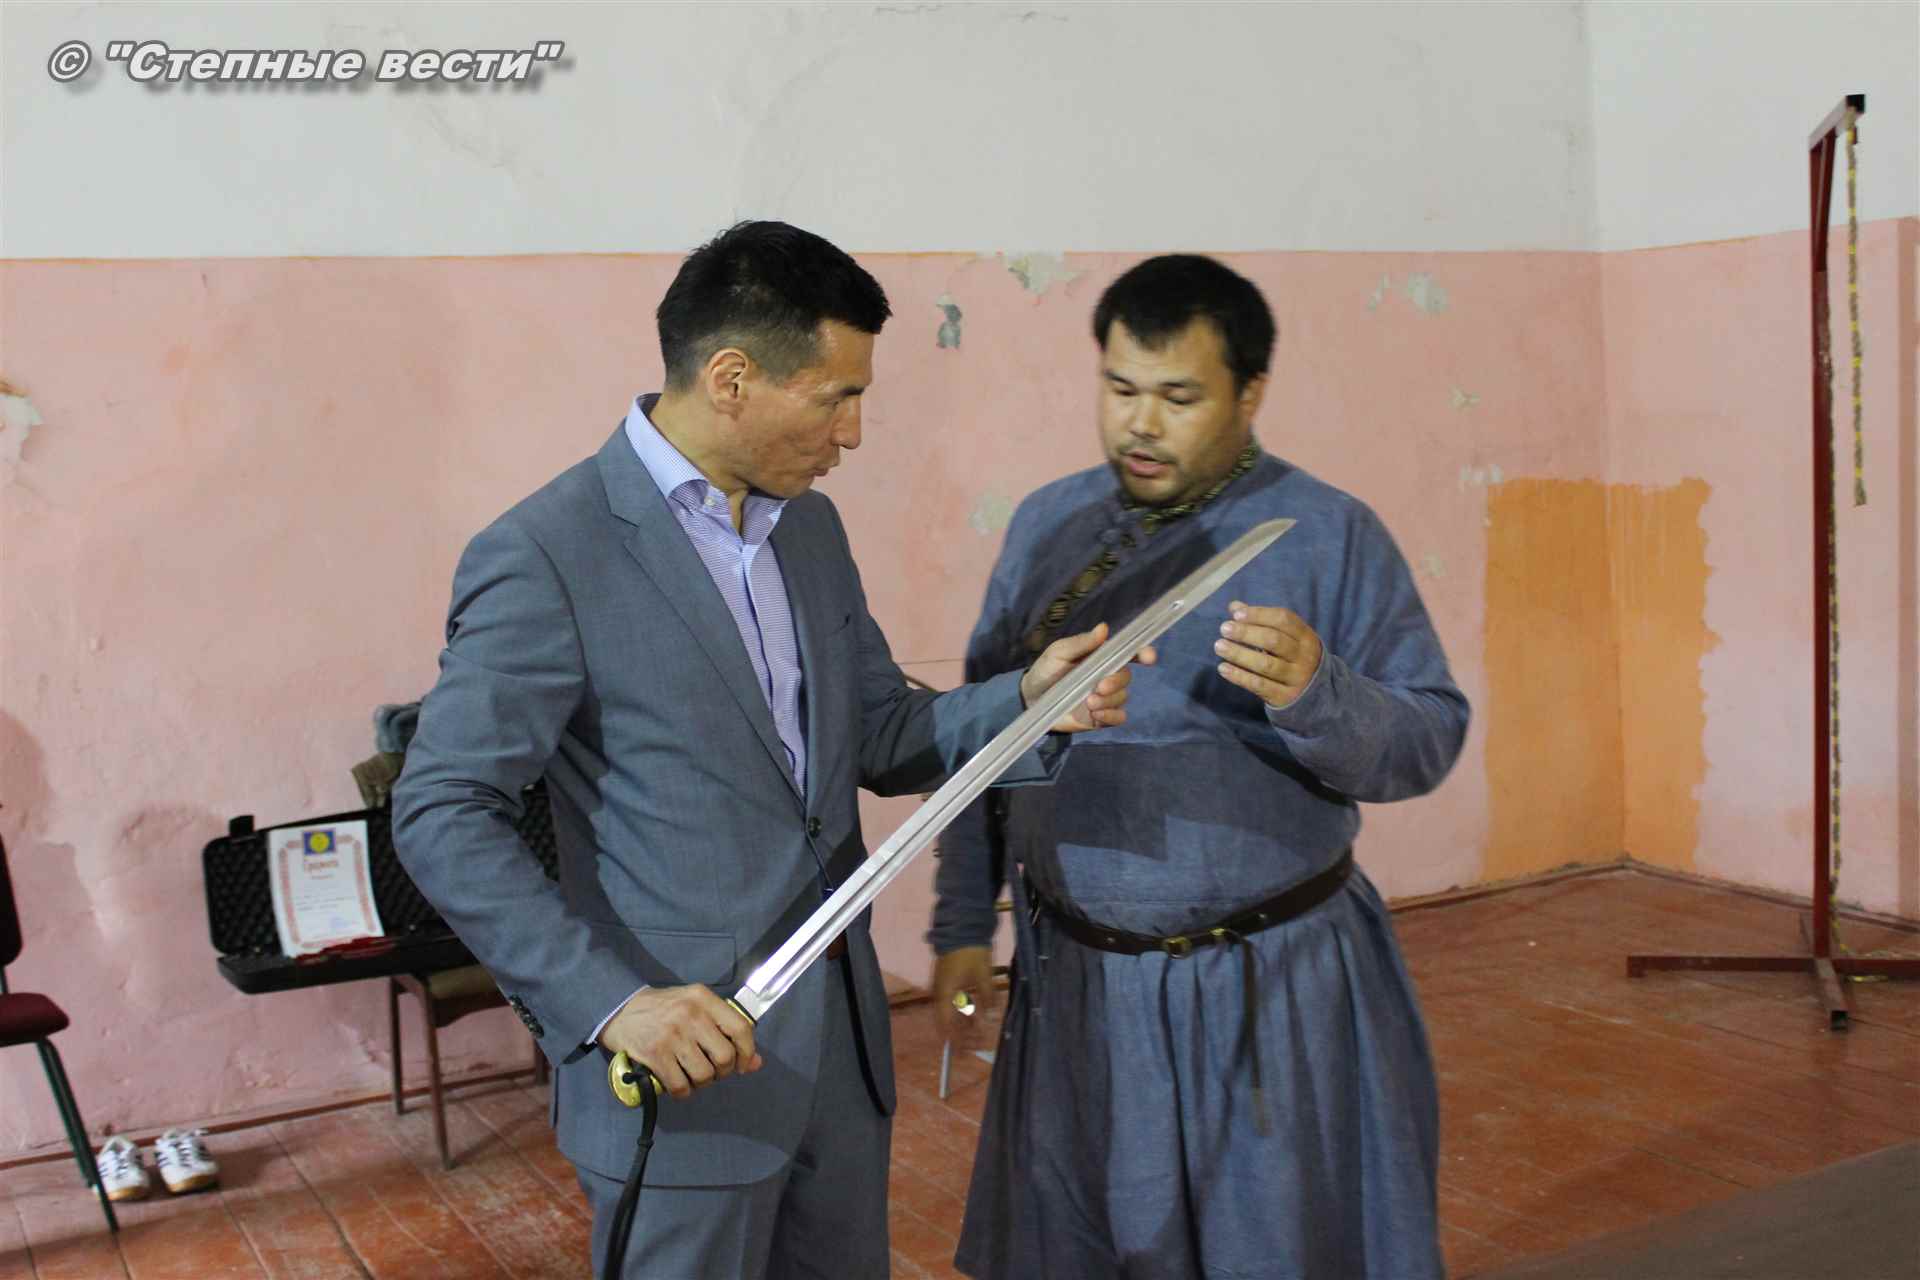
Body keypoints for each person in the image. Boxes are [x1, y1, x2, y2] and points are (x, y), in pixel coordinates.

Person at [392, 220, 1147, 1280]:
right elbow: (441, 808)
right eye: (837, 397)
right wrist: (612, 1003)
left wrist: (1029, 702)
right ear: (732, 378)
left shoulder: (809, 531)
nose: (854, 432)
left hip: (836, 1053)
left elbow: (878, 731)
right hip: (684, 1067)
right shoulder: (549, 554)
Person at [929, 254, 1469, 1279]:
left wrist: (1320, 693)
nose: (1140, 424)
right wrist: (962, 925)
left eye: (1178, 398)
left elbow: (1429, 735)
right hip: (1077, 990)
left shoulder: (1330, 534)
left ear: (1249, 393)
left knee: (1273, 1250)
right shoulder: (1047, 526)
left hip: (1267, 989)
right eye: (1120, 388)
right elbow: (981, 740)